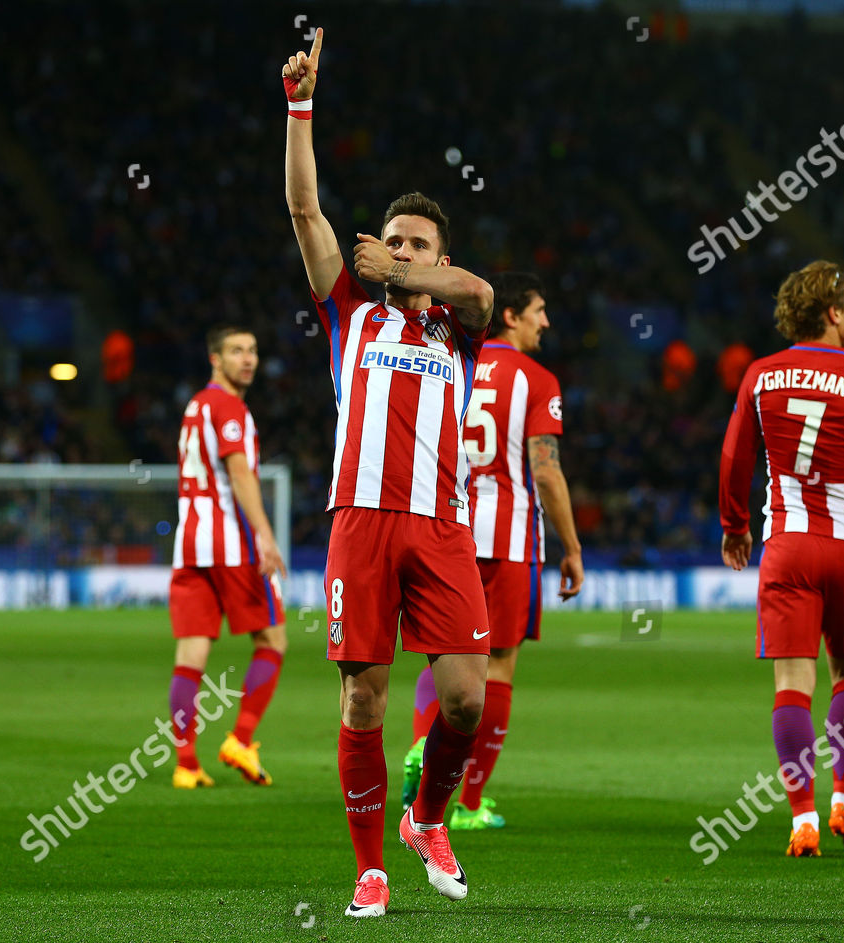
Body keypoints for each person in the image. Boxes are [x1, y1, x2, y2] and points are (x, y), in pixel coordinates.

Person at [283, 29, 496, 918]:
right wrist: (300, 107)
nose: (403, 253)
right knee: (364, 701)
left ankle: (427, 818)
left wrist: (423, 274)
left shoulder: (460, 328)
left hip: (441, 526)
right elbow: (305, 213)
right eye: (395, 240)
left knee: (463, 702)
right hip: (361, 519)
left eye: (422, 245)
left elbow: (482, 293)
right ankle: (370, 866)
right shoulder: (350, 315)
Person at [718, 261, 844, 857]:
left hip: (789, 547)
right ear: (831, 312)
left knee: (791, 685)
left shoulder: (761, 375)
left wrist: (735, 526)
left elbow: (734, 459)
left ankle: (803, 818)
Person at [401, 272, 585, 830]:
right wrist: (572, 547)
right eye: (538, 311)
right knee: (498, 665)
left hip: (445, 529)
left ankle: (418, 747)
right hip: (506, 538)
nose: (545, 322)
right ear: (510, 315)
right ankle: (469, 802)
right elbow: (546, 471)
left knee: (442, 650)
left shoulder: (449, 354)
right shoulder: (536, 379)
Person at [166, 326, 286, 790]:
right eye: (237, 351)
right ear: (214, 359)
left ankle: (186, 764)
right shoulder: (228, 407)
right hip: (230, 542)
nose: (248, 359)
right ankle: (241, 738)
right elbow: (240, 475)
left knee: (191, 653)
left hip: (190, 543)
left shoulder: (195, 405)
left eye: (253, 350)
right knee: (273, 641)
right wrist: (266, 536)